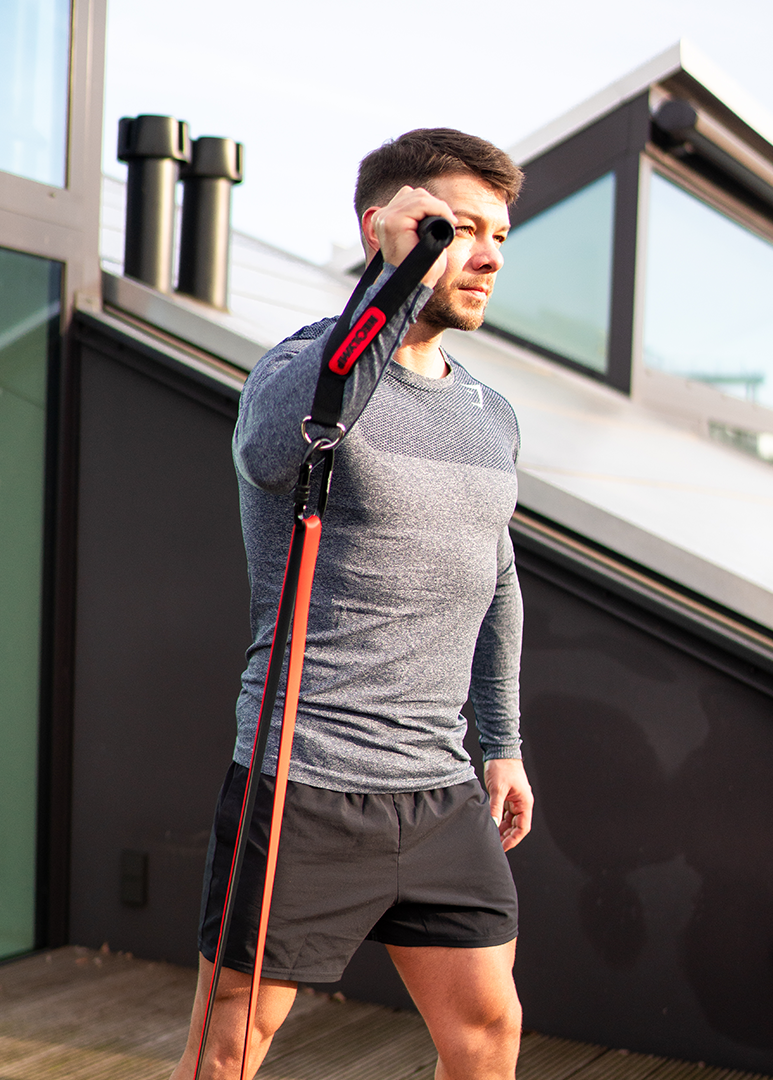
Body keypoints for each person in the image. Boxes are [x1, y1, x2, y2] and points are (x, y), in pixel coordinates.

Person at [172, 129, 534, 1080]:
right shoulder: (303, 373)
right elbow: (270, 452)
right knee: (229, 1045)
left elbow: (494, 577)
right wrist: (397, 281)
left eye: (501, 232)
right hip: (304, 779)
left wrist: (500, 743)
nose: (489, 253)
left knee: (489, 1030)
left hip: (439, 783)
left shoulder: (490, 414)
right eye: (459, 228)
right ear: (384, 229)